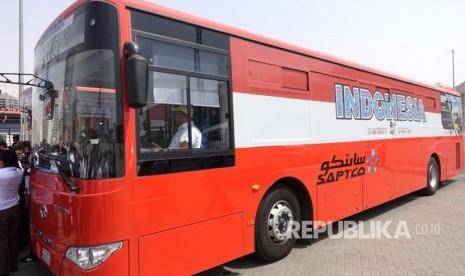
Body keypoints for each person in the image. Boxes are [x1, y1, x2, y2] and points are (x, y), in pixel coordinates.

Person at [0, 149, 23, 275]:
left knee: (2, 241)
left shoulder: (1, 175)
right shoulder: (18, 172)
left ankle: (3, 270)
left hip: (2, 210)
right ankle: (13, 265)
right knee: (12, 238)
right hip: (15, 208)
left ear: (2, 162)